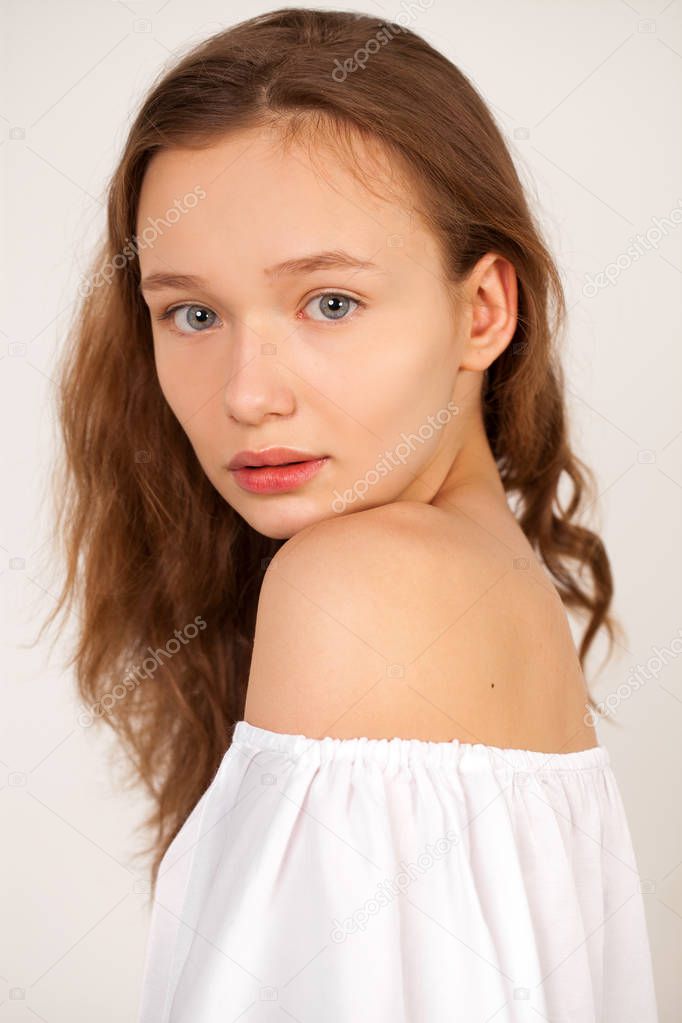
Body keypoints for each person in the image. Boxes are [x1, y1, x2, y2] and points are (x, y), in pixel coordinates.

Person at [43, 8, 659, 1021]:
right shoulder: (473, 579)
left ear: (482, 312)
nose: (248, 394)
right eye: (192, 313)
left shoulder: (363, 586)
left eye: (329, 302)